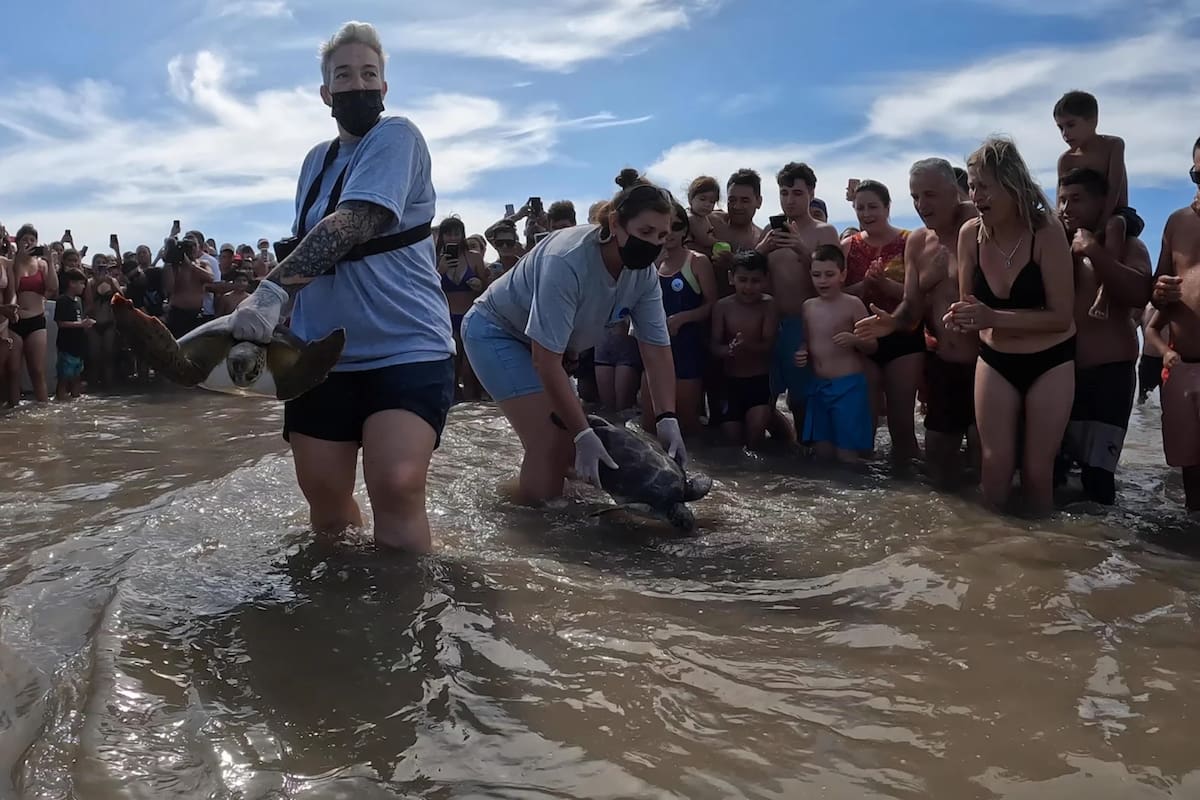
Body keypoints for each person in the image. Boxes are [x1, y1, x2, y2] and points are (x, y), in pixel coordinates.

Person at [224, 20, 455, 553]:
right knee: (325, 500)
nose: (358, 84)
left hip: (406, 346)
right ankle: (342, 609)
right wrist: (269, 321)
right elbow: (309, 244)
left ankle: (406, 611)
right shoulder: (314, 161)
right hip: (321, 354)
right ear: (326, 92)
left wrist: (271, 290)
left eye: (369, 74)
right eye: (344, 75)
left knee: (396, 484)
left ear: (385, 87)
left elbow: (356, 221)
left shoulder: (398, 135)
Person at [461, 168, 685, 502]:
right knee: (553, 439)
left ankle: (538, 498)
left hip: (552, 347)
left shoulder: (644, 277)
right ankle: (538, 529)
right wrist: (581, 432)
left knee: (569, 444)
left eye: (661, 236)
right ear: (614, 224)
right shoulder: (566, 259)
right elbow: (543, 359)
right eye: (645, 231)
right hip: (497, 331)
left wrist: (668, 417)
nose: (652, 243)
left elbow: (656, 348)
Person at [944, 137, 1076, 515]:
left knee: (1037, 471)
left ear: (1011, 183)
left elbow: (1060, 317)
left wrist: (992, 317)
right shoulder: (970, 234)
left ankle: (1045, 560)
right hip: (996, 358)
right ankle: (990, 557)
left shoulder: (1045, 231)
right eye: (971, 185)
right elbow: (971, 306)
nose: (975, 194)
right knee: (994, 466)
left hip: (1050, 359)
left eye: (984, 185)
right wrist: (958, 318)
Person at [855, 159, 979, 486]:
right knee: (937, 462)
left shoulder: (980, 225)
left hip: (987, 364)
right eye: (915, 197)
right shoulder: (919, 242)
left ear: (956, 193)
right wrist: (892, 323)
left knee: (985, 461)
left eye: (930, 195)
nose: (922, 205)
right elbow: (911, 308)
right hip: (944, 364)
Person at [1055, 167, 1152, 505]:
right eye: (1062, 200)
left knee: (1098, 480)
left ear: (1102, 202)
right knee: (1055, 473)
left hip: (1110, 373)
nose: (1067, 208)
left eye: (1077, 199)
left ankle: (1105, 553)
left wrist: (1094, 250)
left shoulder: (1128, 245)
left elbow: (1140, 293)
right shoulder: (1055, 246)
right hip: (1063, 373)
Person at [758, 162, 840, 435]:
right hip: (771, 323)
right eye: (784, 193)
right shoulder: (768, 234)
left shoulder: (824, 231)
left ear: (811, 192)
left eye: (796, 193)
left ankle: (809, 466)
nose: (789, 200)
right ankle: (780, 462)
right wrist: (760, 251)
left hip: (805, 324)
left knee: (802, 400)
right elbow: (750, 277)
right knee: (764, 399)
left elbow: (836, 279)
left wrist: (803, 250)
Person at [841, 179, 920, 462]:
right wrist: (863, 288)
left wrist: (886, 285)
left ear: (887, 207)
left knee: (901, 424)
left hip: (903, 334)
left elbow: (919, 295)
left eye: (873, 206)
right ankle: (867, 494)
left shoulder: (910, 240)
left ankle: (911, 492)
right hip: (863, 337)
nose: (866, 213)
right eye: (860, 207)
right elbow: (833, 294)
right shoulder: (848, 246)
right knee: (865, 424)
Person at [1142, 136, 1200, 511]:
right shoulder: (1178, 222)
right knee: (1190, 471)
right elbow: (1156, 288)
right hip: (1183, 363)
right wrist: (1158, 288)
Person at [1052, 90, 1143, 320]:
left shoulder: (1113, 145)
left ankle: (1105, 292)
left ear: (1092, 121)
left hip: (1117, 213)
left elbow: (1114, 189)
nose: (1065, 133)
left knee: (1115, 225)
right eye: (1060, 127)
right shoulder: (1066, 160)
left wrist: (1101, 224)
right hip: (1082, 219)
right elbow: (1060, 200)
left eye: (1070, 125)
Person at [794, 245, 876, 461]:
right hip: (819, 386)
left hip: (848, 387)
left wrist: (855, 340)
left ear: (843, 275)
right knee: (822, 453)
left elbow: (872, 345)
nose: (822, 280)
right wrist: (802, 352)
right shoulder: (808, 306)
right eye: (817, 275)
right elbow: (806, 339)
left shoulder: (852, 304)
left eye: (829, 274)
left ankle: (856, 493)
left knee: (846, 454)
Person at [642, 202, 717, 433]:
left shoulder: (697, 261)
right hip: (654, 350)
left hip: (687, 349)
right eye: (664, 227)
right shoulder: (649, 264)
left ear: (685, 230)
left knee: (687, 426)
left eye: (675, 226)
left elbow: (713, 304)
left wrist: (683, 318)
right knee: (649, 426)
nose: (670, 233)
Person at [710, 251, 777, 447]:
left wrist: (747, 346)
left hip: (759, 381)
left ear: (765, 280)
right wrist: (728, 350)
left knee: (755, 440)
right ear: (731, 278)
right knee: (733, 444)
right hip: (731, 383)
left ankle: (778, 426)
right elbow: (714, 345)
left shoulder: (768, 305)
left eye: (755, 280)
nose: (748, 286)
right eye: (743, 280)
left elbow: (769, 345)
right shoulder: (722, 306)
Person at [435, 215, 487, 401]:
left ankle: (473, 415)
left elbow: (487, 287)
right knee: (451, 372)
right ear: (442, 236)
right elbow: (424, 288)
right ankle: (454, 418)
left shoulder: (473, 257)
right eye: (448, 234)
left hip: (470, 317)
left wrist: (479, 284)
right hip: (446, 318)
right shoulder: (433, 258)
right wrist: (439, 272)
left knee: (469, 372)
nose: (453, 238)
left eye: (456, 233)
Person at [7, 224, 59, 404]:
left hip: (37, 320)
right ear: (18, 242)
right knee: (13, 371)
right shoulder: (12, 264)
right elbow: (12, 291)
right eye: (25, 240)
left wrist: (50, 261)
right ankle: (13, 411)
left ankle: (43, 411)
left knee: (37, 370)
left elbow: (53, 288)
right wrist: (18, 261)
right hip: (15, 320)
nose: (29, 243)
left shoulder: (42, 264)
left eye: (32, 240)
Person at [54, 269, 93, 400]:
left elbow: (77, 321)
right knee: (63, 380)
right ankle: (60, 402)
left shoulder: (77, 301)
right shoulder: (62, 300)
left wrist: (84, 325)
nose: (83, 287)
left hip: (78, 346)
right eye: (81, 283)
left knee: (77, 378)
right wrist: (81, 324)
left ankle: (76, 403)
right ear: (71, 283)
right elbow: (60, 323)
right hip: (66, 347)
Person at [686, 175, 721, 256]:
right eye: (702, 199)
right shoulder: (692, 218)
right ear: (690, 198)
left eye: (712, 201)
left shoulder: (702, 216)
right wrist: (719, 242)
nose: (707, 204)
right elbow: (704, 240)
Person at [1136, 303, 1162, 404]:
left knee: (1168, 401)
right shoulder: (1144, 309)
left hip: (1167, 361)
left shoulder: (1172, 308)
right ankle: (1141, 420)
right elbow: (1130, 326)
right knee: (1142, 399)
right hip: (1148, 360)